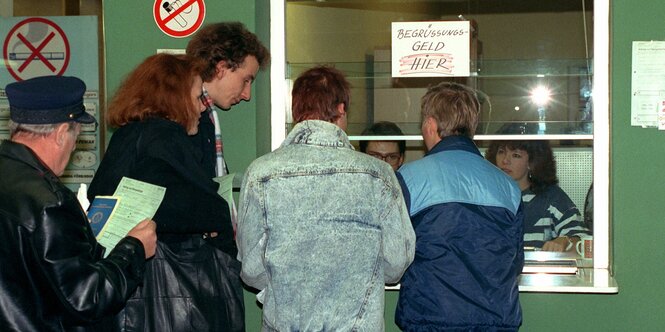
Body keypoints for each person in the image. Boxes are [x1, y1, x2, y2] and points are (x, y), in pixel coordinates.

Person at [237, 66, 415, 331]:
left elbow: (251, 270)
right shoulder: (379, 176)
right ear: (341, 109)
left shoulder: (261, 174)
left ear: (296, 110)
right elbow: (396, 263)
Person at [87, 54, 243, 331]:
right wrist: (217, 222)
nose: (200, 109)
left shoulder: (126, 136)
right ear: (176, 99)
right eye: (196, 98)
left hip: (126, 291)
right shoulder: (167, 138)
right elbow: (207, 208)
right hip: (175, 297)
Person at [0, 75, 156, 331]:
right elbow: (88, 298)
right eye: (75, 140)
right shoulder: (50, 204)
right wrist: (134, 248)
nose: (73, 149)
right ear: (62, 133)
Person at [395, 82, 524, 331]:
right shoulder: (508, 186)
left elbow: (395, 257)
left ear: (431, 125)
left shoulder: (408, 179)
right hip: (497, 321)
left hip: (429, 320)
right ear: (472, 128)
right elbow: (516, 262)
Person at [186, 21, 270, 178]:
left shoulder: (204, 118)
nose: (247, 95)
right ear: (221, 68)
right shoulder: (188, 118)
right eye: (246, 80)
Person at [485, 140, 591, 251]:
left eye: (516, 155)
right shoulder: (484, 196)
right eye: (501, 152)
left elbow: (583, 241)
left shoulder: (551, 198)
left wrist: (566, 241)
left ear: (532, 162)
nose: (505, 160)